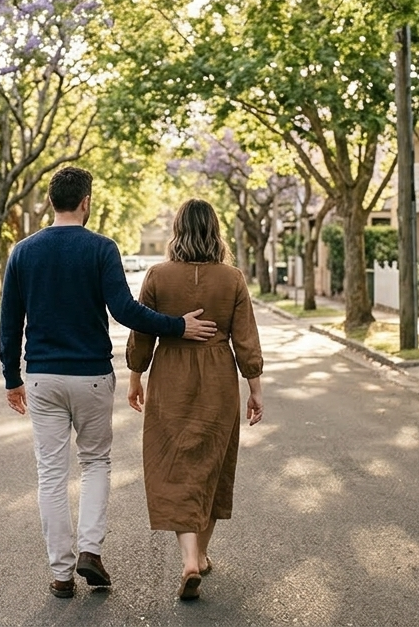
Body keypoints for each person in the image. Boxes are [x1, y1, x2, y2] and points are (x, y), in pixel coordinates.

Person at [0, 167, 218, 600]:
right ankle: (90, 551)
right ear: (86, 202)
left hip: (42, 377)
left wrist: (12, 378)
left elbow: (10, 323)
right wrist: (176, 326)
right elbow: (125, 311)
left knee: (50, 475)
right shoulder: (101, 248)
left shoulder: (23, 252)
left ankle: (62, 574)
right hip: (92, 378)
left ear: (50, 201)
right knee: (95, 464)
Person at [126, 198, 264, 601]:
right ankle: (200, 554)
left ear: (177, 230)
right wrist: (255, 389)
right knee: (211, 465)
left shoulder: (157, 276)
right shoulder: (233, 278)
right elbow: (246, 339)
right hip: (218, 379)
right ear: (214, 231)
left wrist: (135, 377)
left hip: (170, 376)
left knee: (175, 465)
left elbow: (141, 334)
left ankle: (189, 558)